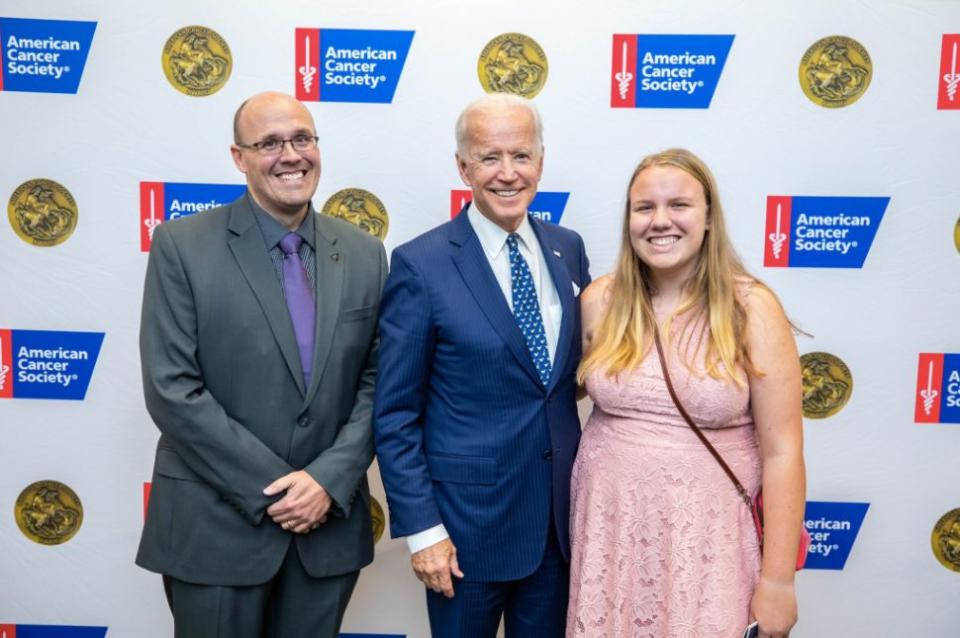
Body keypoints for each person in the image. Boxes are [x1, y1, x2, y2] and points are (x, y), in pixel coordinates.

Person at [136, 91, 386, 638]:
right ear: (238, 156)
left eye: (302, 139)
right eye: (269, 143)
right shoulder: (182, 245)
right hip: (215, 527)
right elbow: (171, 388)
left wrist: (326, 481)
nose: (291, 155)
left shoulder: (366, 253)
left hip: (327, 531)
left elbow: (379, 382)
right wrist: (280, 488)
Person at [373, 93, 591, 637]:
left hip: (557, 529)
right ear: (463, 166)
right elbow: (396, 414)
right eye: (490, 157)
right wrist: (423, 531)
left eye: (522, 155)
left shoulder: (569, 248)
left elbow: (562, 381)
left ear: (541, 160)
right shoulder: (420, 265)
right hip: (463, 538)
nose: (508, 173)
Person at [568, 149, 805, 638]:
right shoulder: (599, 302)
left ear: (709, 218)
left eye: (679, 205)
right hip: (609, 539)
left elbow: (783, 452)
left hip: (708, 546)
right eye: (644, 208)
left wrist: (779, 580)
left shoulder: (751, 308)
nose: (660, 221)